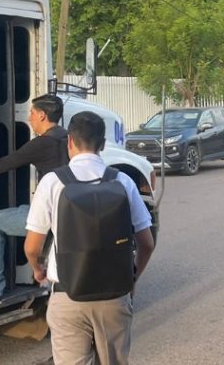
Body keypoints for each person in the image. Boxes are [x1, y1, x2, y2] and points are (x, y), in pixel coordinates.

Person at [24, 111, 155, 365]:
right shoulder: (123, 181)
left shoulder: (52, 182)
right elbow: (147, 242)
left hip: (67, 294)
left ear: (69, 142)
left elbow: (32, 247)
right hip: (114, 297)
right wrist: (133, 276)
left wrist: (38, 269)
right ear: (103, 145)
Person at [0, 93, 69, 307]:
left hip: (49, 216)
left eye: (32, 114)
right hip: (67, 213)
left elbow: (1, 166)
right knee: (23, 209)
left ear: (43, 116)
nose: (29, 119)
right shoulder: (69, 138)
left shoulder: (42, 143)